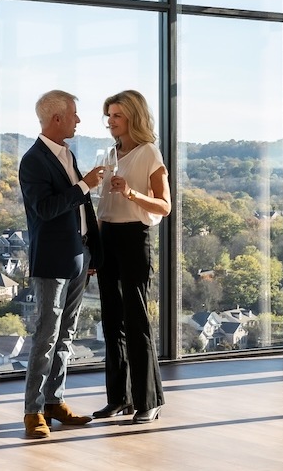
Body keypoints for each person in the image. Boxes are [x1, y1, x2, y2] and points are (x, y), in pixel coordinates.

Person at [18, 90, 104, 440]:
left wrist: (93, 254)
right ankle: (33, 412)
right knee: (46, 336)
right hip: (52, 261)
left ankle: (54, 401)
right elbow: (47, 209)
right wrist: (86, 184)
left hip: (78, 257)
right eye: (73, 115)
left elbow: (82, 211)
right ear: (56, 119)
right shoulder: (33, 161)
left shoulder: (67, 154)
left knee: (66, 335)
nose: (78, 120)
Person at [92, 90, 170, 424]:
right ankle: (119, 398)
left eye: (117, 116)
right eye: (108, 115)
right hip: (107, 236)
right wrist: (94, 246)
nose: (111, 121)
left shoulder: (149, 153)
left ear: (133, 118)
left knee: (136, 320)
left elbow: (164, 206)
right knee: (111, 321)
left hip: (133, 238)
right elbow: (103, 205)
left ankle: (148, 400)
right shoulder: (111, 153)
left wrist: (130, 192)